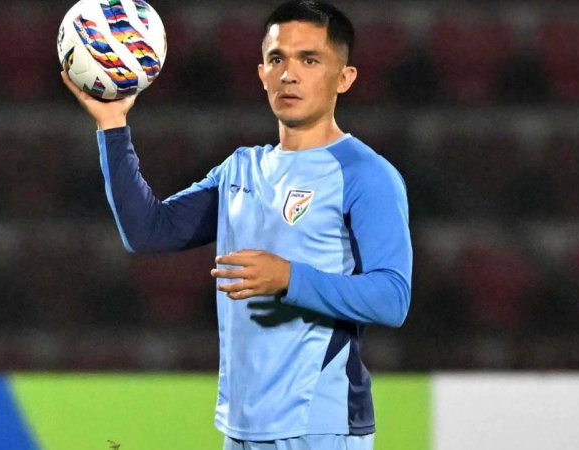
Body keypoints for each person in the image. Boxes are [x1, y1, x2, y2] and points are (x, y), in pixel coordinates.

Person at [61, 1, 412, 449]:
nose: (289, 74)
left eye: (309, 60)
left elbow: (393, 297)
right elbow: (148, 230)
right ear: (261, 73)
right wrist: (113, 124)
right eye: (276, 59)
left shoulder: (366, 174)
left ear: (344, 78)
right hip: (241, 429)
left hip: (320, 426)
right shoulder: (240, 170)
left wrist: (289, 277)